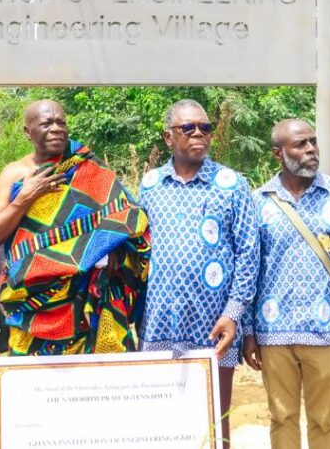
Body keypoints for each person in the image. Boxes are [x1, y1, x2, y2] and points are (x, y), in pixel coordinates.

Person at [0, 99, 151, 356]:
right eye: (46, 123)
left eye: (61, 122)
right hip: (34, 301)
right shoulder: (15, 173)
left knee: (96, 374)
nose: (56, 129)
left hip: (87, 298)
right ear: (27, 132)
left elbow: (126, 216)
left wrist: (113, 248)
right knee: (34, 375)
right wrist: (25, 197)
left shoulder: (86, 167)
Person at [137, 99, 258, 445]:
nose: (198, 134)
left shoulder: (232, 184)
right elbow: (139, 246)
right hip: (160, 321)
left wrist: (233, 314)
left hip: (215, 324)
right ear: (168, 137)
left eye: (204, 128)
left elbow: (248, 253)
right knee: (162, 419)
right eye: (187, 128)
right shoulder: (150, 184)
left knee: (215, 416)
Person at [242, 119, 330, 449]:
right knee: (282, 417)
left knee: (325, 420)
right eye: (300, 144)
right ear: (278, 153)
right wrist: (249, 331)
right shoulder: (258, 201)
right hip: (273, 331)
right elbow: (249, 269)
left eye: (313, 142)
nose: (310, 150)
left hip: (327, 330)